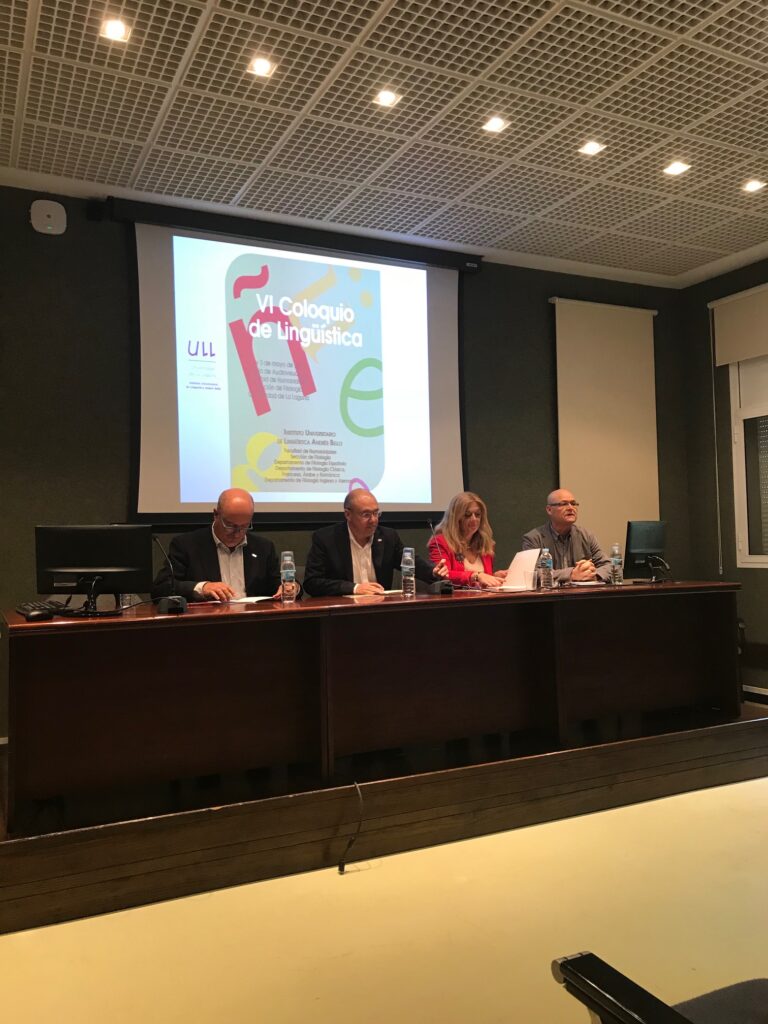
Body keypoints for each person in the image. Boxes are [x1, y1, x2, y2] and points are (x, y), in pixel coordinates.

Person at [303, 489, 448, 597]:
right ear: (348, 514)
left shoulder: (388, 537)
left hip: (379, 608)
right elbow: (312, 582)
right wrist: (354, 588)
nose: (373, 520)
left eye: (376, 513)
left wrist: (433, 571)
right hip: (342, 611)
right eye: (366, 515)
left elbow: (410, 562)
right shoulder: (326, 539)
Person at [151, 487, 283, 602]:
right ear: (215, 514)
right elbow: (161, 589)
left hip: (254, 618)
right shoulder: (187, 545)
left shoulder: (263, 547)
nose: (237, 534)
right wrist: (203, 587)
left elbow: (277, 586)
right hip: (208, 619)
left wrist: (287, 588)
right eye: (230, 526)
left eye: (244, 526)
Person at [522, 488, 610, 583]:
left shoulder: (586, 535)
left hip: (580, 592)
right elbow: (532, 572)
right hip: (550, 592)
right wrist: (571, 574)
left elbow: (609, 566)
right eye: (563, 504)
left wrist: (593, 575)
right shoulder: (533, 538)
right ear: (549, 510)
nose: (570, 508)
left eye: (573, 503)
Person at [428, 491, 507, 589]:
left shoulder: (485, 543)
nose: (474, 519)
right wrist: (474, 576)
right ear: (456, 518)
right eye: (467, 515)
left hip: (484, 597)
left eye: (477, 514)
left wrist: (494, 577)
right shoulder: (440, 542)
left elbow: (482, 581)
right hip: (456, 598)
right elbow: (444, 575)